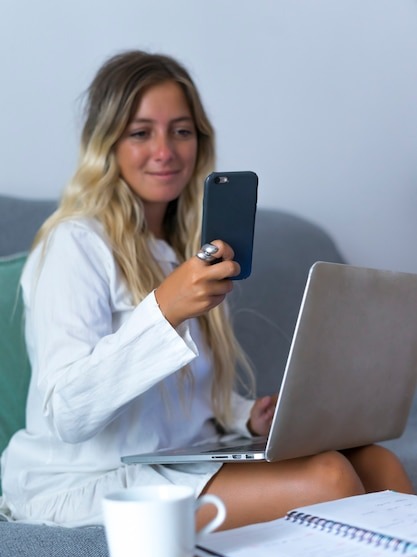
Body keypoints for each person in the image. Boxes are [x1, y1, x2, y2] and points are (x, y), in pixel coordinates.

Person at [0, 50, 413, 529]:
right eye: (140, 133)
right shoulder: (73, 244)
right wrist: (164, 310)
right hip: (86, 480)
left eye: (181, 130)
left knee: (380, 464)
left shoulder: (181, 251)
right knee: (330, 480)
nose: (165, 151)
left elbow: (177, 404)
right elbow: (66, 412)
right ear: (106, 144)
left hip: (174, 461)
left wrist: (245, 418)